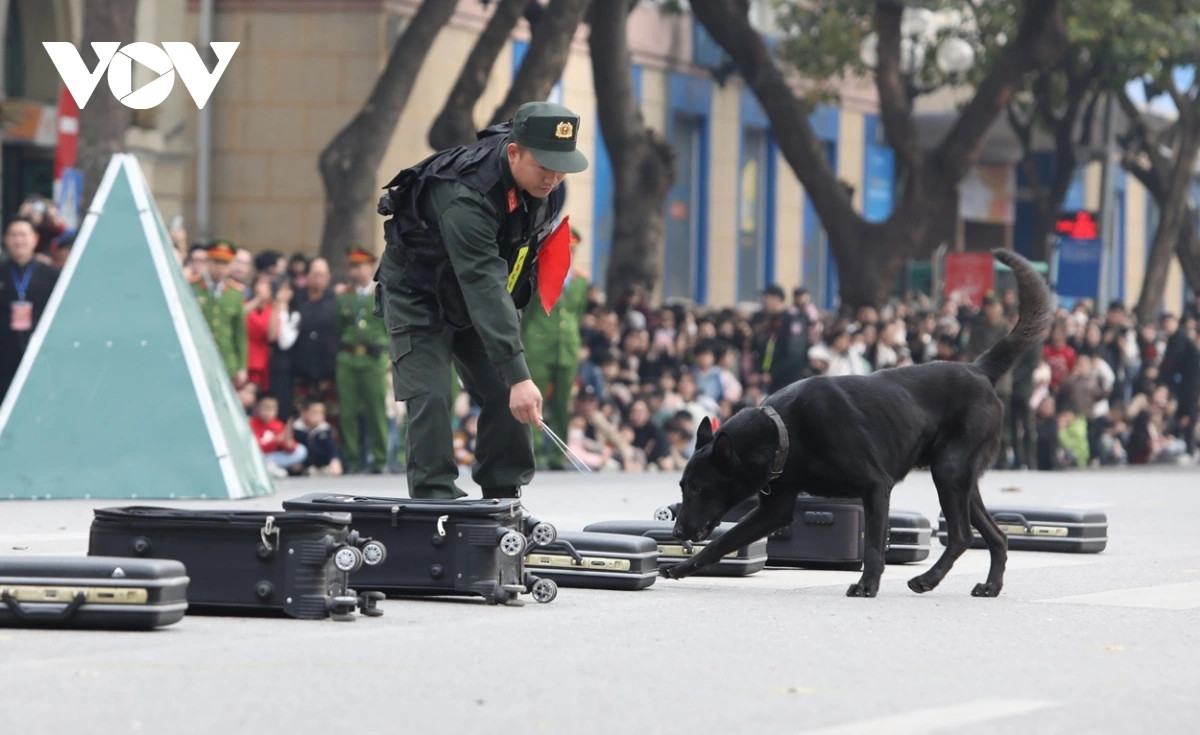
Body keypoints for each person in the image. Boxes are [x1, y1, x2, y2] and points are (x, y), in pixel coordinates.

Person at [376, 101, 589, 499]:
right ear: (514, 152)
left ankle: (503, 498)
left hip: (477, 299)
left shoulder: (544, 190)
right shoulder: (467, 194)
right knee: (433, 396)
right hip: (419, 296)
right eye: (544, 165)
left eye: (561, 166)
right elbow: (482, 280)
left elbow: (515, 267)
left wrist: (515, 372)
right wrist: (518, 369)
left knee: (508, 391)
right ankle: (435, 502)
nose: (554, 177)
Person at [521, 227, 589, 470]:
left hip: (567, 349)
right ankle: (535, 453)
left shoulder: (581, 279)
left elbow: (576, 315)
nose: (569, 252)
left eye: (572, 249)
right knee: (534, 402)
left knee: (562, 404)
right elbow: (526, 313)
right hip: (538, 346)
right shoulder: (538, 273)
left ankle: (557, 456)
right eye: (565, 248)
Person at [335, 246, 390, 474]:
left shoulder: (380, 292)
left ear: (371, 265)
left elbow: (389, 326)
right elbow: (338, 327)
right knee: (347, 412)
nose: (356, 271)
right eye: (352, 266)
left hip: (373, 359)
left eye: (360, 266)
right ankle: (353, 460)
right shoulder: (345, 295)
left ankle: (380, 460)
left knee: (376, 410)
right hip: (348, 358)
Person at [0, 217, 60, 402]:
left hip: (41, 351)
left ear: (34, 238)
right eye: (13, 235)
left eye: (23, 235)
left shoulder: (51, 274)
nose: (18, 241)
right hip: (4, 352)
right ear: (6, 240)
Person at [191, 241, 248, 385]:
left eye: (225, 263)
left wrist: (241, 366)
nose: (220, 268)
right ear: (208, 262)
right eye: (216, 262)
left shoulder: (235, 293)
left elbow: (239, 332)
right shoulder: (193, 287)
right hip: (198, 359)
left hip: (226, 362)